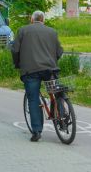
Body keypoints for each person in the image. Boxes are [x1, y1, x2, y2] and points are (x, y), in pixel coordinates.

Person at [12, 11, 63, 142]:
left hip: (30, 70)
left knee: (33, 99)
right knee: (57, 93)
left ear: (31, 19)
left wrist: (18, 64)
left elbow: (15, 50)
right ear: (43, 20)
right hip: (50, 69)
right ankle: (62, 120)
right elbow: (59, 51)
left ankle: (37, 131)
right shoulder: (52, 31)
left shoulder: (23, 30)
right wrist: (53, 60)